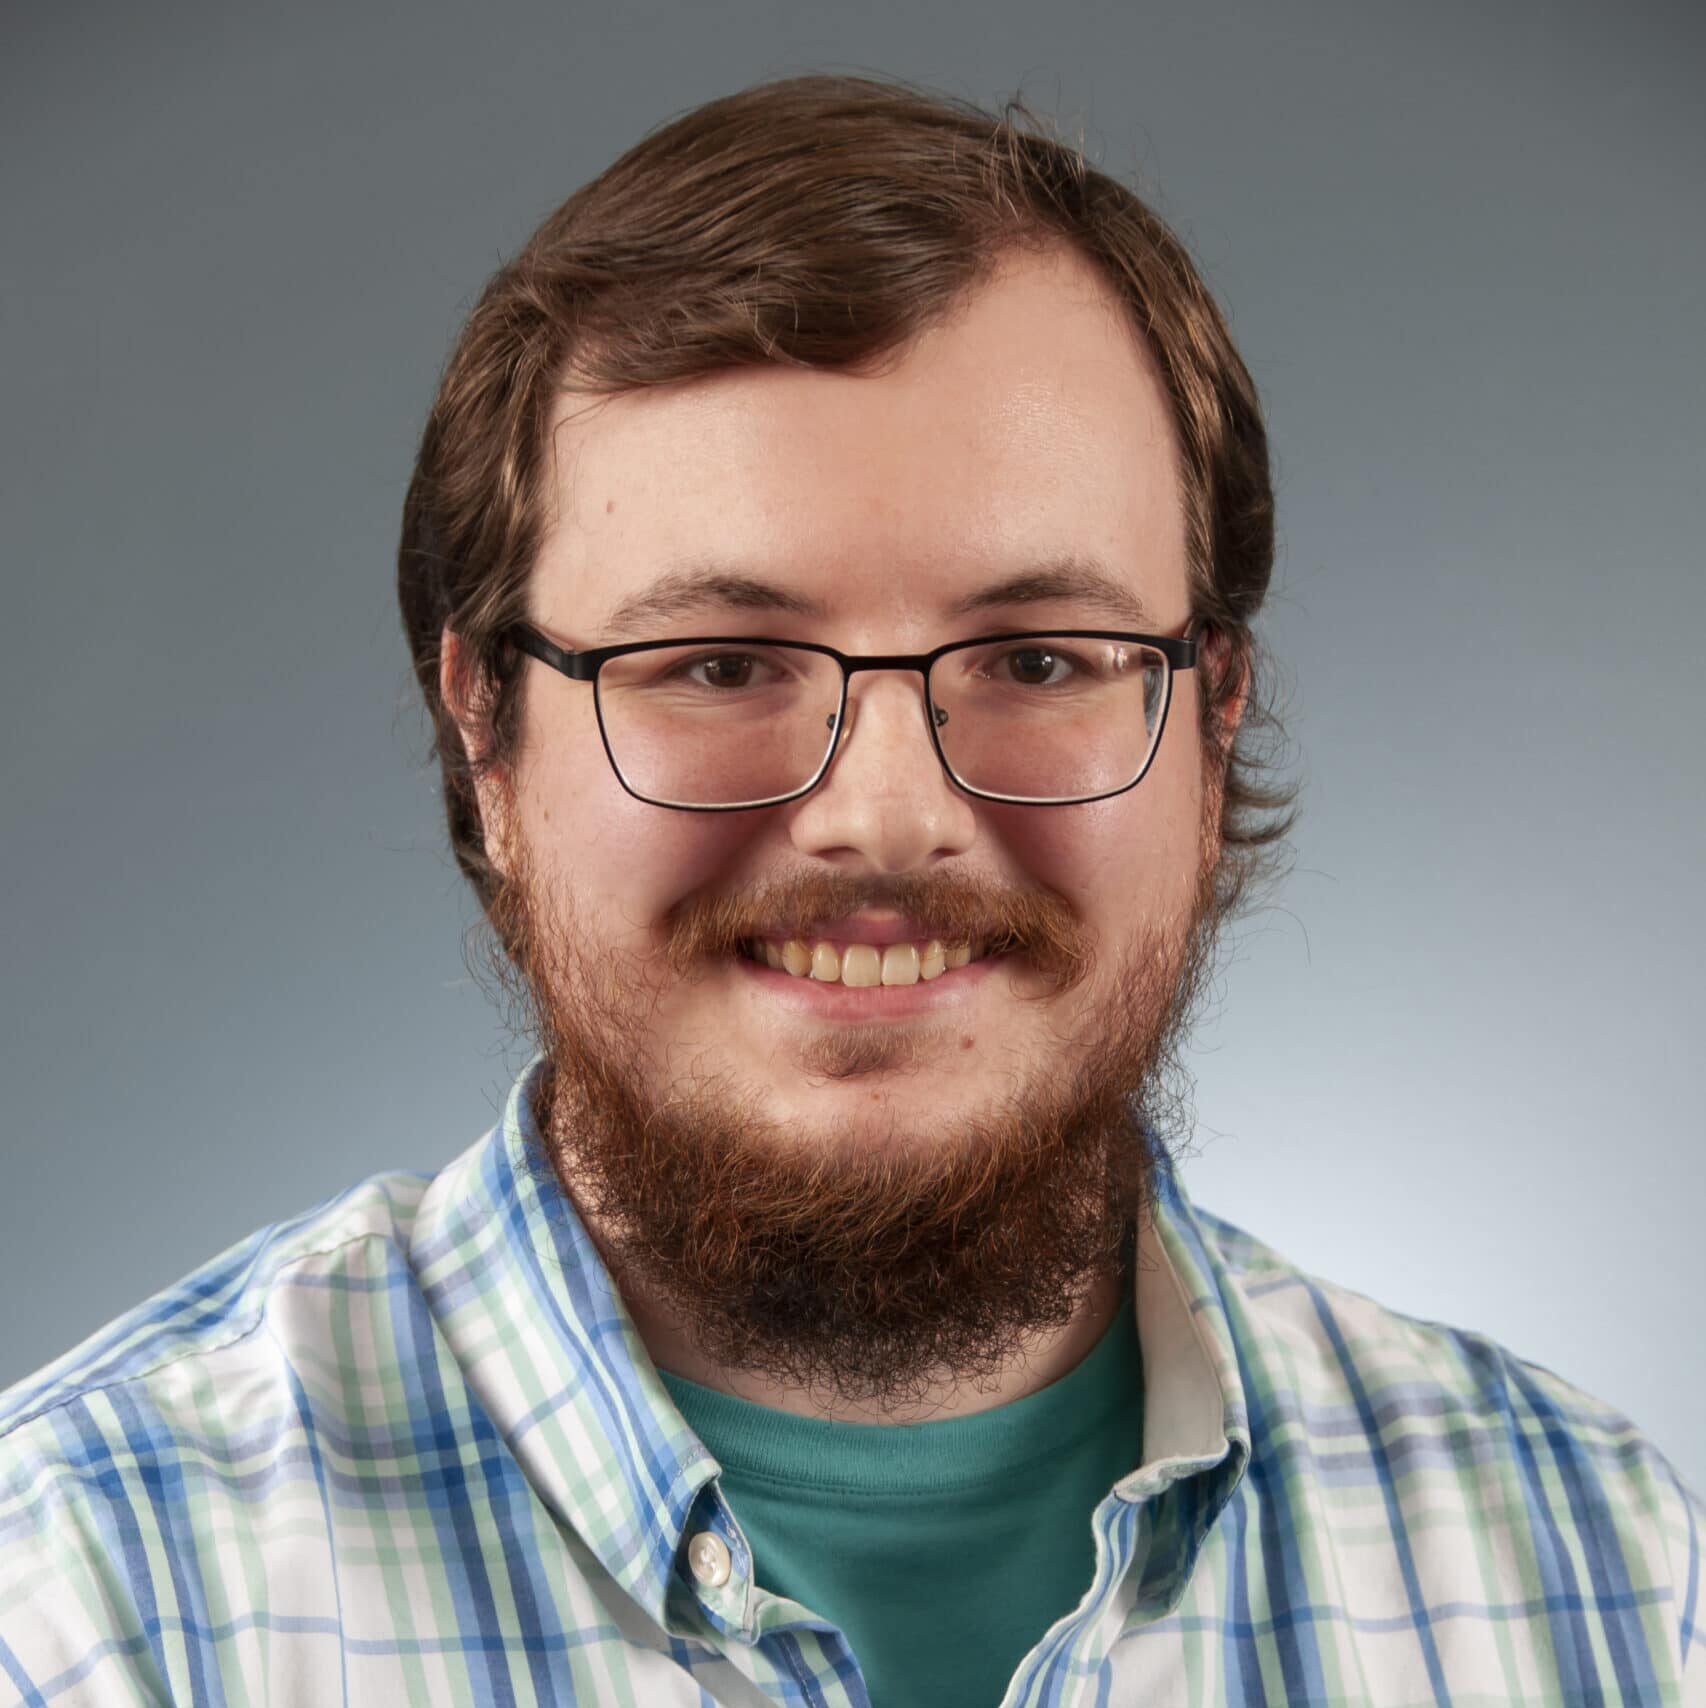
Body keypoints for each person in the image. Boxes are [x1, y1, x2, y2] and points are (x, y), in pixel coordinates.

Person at [0, 72, 1697, 1708]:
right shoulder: (82, 1597)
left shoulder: (1603, 1563)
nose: (885, 817)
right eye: (720, 660)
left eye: (1039, 654)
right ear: (483, 735)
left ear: (1214, 711)